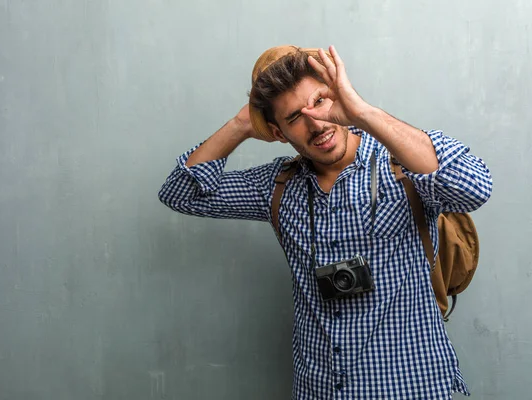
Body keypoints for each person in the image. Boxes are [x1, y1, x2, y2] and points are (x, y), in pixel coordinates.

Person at [158, 44, 492, 399]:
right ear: (277, 133)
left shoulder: (402, 164)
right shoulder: (277, 187)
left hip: (408, 385)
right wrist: (243, 123)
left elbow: (474, 186)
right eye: (293, 118)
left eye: (319, 101)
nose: (316, 124)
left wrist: (361, 112)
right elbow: (180, 193)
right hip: (319, 390)